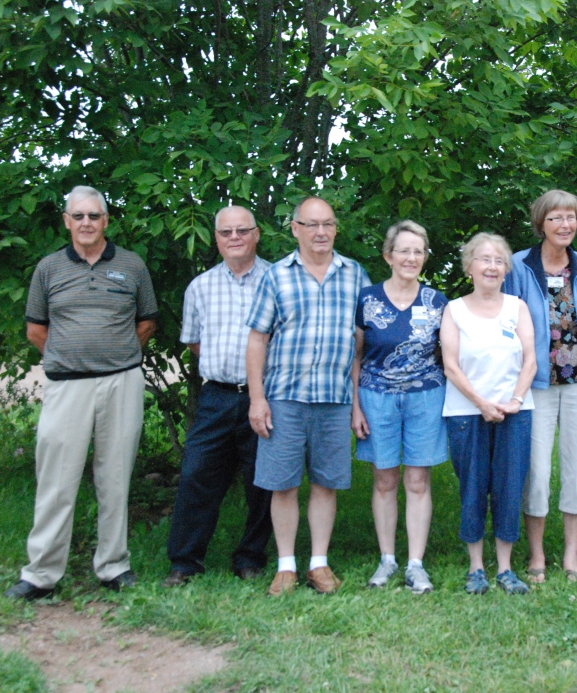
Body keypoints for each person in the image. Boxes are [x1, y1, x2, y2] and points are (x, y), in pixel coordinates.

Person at [6, 185, 158, 601]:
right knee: (55, 481)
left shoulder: (132, 265)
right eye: (79, 216)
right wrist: (70, 356)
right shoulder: (48, 268)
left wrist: (115, 355)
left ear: (105, 220)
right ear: (66, 221)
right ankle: (41, 574)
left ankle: (114, 566)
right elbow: (36, 329)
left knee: (115, 477)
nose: (87, 223)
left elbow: (147, 322)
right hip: (66, 386)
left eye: (94, 215)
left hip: (120, 383)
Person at [245, 197, 370, 596]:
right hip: (284, 397)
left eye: (328, 224)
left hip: (334, 397)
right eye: (312, 224)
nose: (321, 232)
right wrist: (257, 399)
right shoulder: (276, 276)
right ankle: (286, 566)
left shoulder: (355, 275)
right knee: (282, 484)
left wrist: (356, 402)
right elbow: (257, 339)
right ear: (295, 229)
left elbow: (360, 344)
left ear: (335, 228)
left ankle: (319, 563)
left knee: (325, 483)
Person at [162, 205, 274, 587]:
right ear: (216, 239)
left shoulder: (278, 280)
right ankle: (184, 562)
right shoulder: (200, 287)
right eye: (226, 232)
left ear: (256, 234)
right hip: (217, 397)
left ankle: (250, 557)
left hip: (266, 396)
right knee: (197, 474)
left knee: (262, 481)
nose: (234, 238)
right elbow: (195, 343)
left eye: (242, 230)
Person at [505, 190, 577, 584]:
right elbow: (507, 324)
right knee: (536, 471)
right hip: (535, 385)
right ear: (541, 223)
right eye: (556, 218)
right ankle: (536, 556)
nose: (565, 225)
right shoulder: (519, 265)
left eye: (571, 217)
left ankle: (571, 558)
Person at [351, 221, 448, 594]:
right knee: (384, 480)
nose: (411, 257)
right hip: (376, 399)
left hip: (426, 398)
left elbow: (447, 355)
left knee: (418, 481)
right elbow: (356, 357)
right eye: (404, 250)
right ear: (388, 256)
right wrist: (355, 407)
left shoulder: (437, 302)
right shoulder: (367, 299)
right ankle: (387, 559)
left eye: (418, 251)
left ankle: (415, 565)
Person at [440, 232, 537, 595]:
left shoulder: (517, 307)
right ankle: (476, 567)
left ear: (506, 269)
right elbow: (451, 366)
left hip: (515, 412)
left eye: (499, 260)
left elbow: (531, 359)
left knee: (510, 487)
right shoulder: (454, 310)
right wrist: (481, 404)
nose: (492, 266)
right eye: (484, 259)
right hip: (466, 413)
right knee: (473, 486)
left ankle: (506, 568)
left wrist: (515, 400)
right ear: (470, 267)